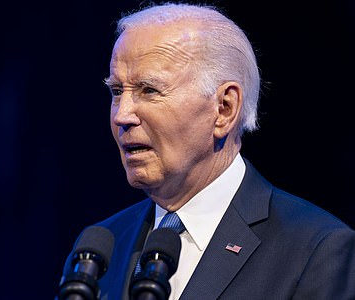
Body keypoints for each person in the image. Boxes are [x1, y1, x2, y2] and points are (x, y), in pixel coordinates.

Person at [60, 2, 355, 300]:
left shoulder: (317, 250)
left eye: (149, 90)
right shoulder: (100, 250)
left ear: (224, 109)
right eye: (117, 92)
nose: (122, 116)